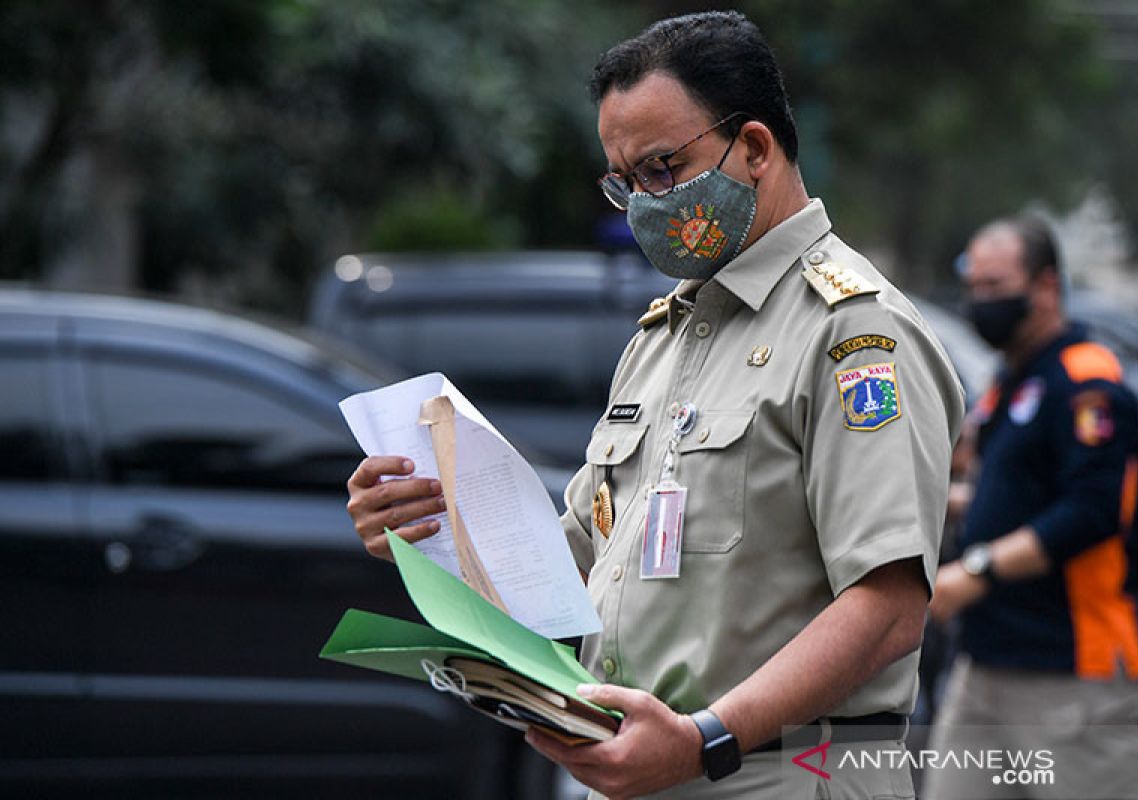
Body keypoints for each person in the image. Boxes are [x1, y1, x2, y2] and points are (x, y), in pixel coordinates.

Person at [346, 12, 964, 799]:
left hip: (775, 773)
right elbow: (569, 565)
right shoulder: (665, 334)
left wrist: (704, 740)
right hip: (639, 768)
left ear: (754, 149)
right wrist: (420, 528)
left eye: (663, 170)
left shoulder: (853, 333)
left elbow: (888, 608)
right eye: (625, 181)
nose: (643, 201)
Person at [926, 216, 1138, 799]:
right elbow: (1011, 500)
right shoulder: (1012, 382)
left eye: (996, 287)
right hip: (984, 666)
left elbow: (1092, 511)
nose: (981, 302)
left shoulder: (1086, 378)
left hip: (1070, 672)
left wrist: (976, 572)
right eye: (974, 287)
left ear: (1046, 285)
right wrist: (931, 504)